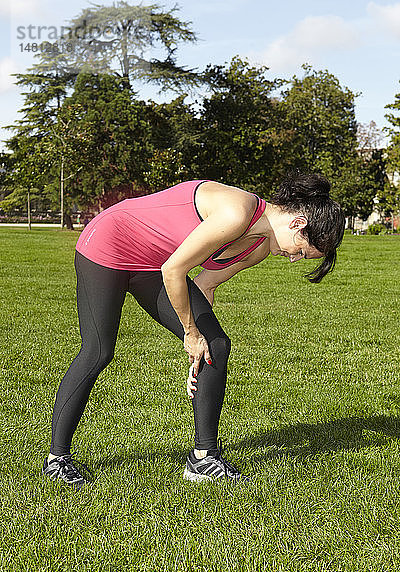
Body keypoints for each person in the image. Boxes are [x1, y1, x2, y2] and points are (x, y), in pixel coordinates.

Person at [42, 171, 345, 489]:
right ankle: (57, 459)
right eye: (300, 251)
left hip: (153, 264)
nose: (293, 259)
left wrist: (198, 355)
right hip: (110, 245)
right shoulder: (236, 212)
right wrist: (190, 333)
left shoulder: (257, 247)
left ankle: (203, 458)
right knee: (98, 351)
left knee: (216, 345)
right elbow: (174, 270)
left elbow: (204, 286)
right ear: (298, 224)